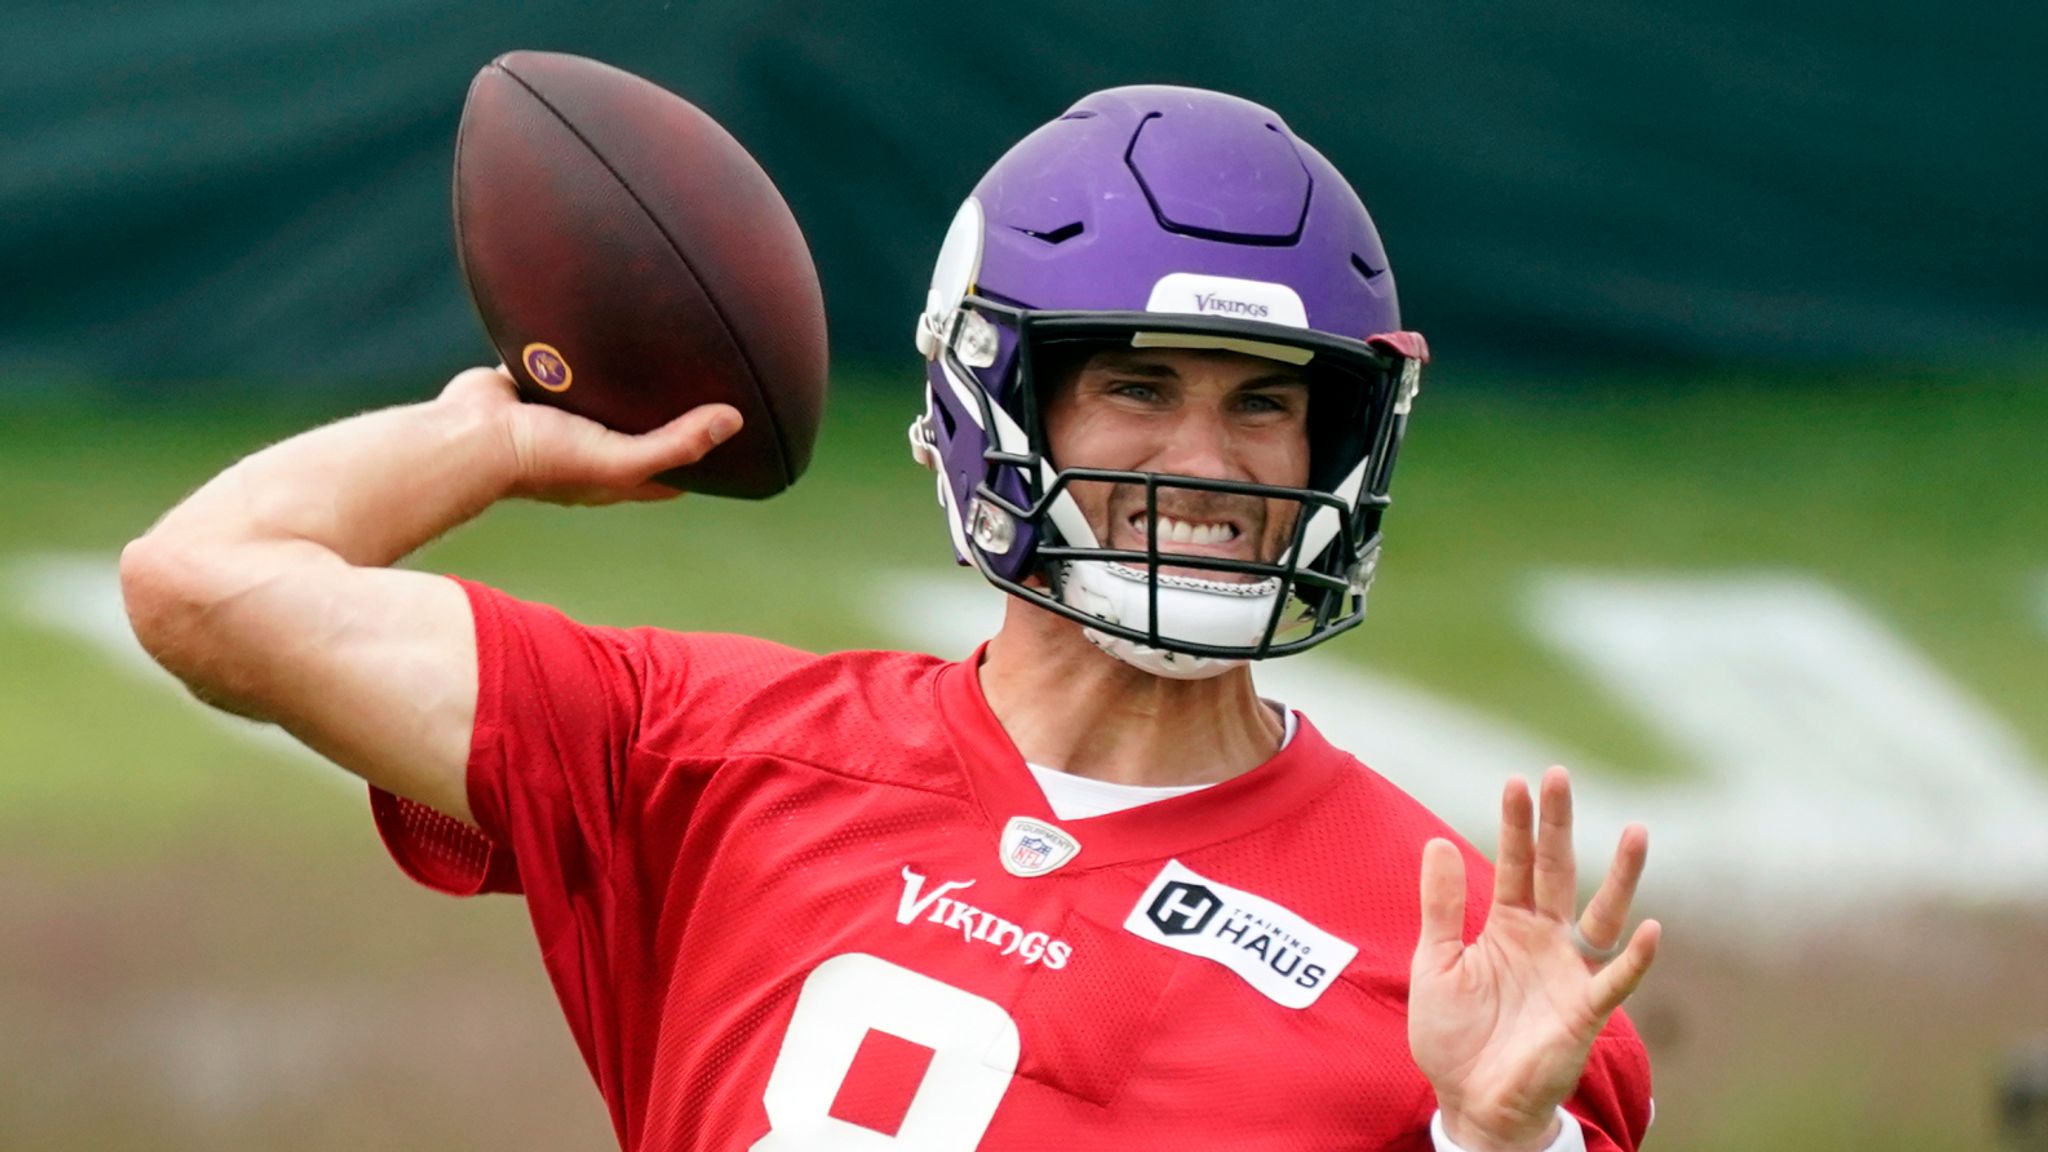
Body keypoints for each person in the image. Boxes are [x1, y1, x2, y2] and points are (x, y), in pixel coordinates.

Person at [120, 85, 1657, 1151]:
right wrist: (500, 437)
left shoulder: (1455, 953)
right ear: (992, 406)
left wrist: (1489, 1133)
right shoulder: (704, 755)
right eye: (1136, 386)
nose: (1208, 463)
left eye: (1268, 405)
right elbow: (206, 583)